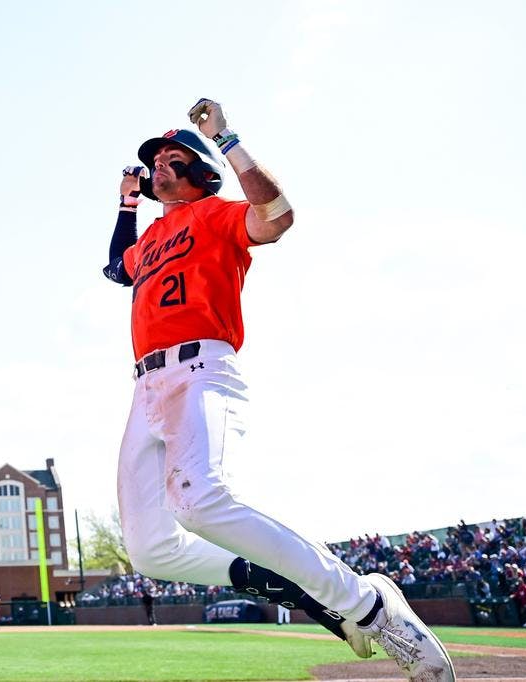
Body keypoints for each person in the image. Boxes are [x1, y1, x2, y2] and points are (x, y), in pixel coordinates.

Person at [101, 98, 455, 682]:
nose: (159, 166)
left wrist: (227, 137)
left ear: (199, 171)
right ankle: (285, 578)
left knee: (199, 500)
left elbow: (277, 216)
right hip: (145, 390)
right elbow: (118, 268)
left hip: (198, 370)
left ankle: (367, 606)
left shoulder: (215, 213)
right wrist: (127, 202)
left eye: (171, 159)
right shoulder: (154, 236)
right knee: (151, 550)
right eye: (155, 161)